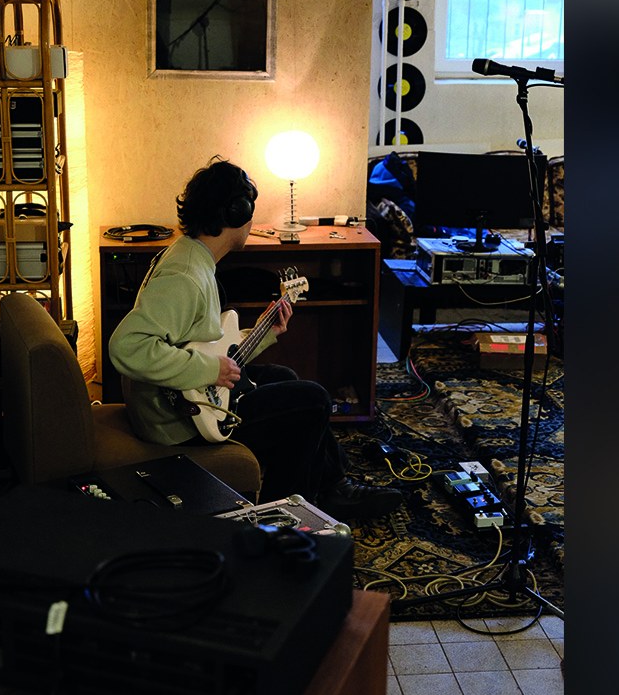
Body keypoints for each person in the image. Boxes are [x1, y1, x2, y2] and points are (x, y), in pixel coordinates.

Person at [108, 157, 403, 520]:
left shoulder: (192, 257)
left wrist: (263, 333)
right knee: (313, 400)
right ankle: (282, 517)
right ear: (235, 212)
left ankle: (330, 488)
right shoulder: (185, 275)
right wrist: (210, 370)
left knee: (283, 377)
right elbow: (128, 346)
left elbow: (202, 345)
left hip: (183, 401)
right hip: (177, 420)